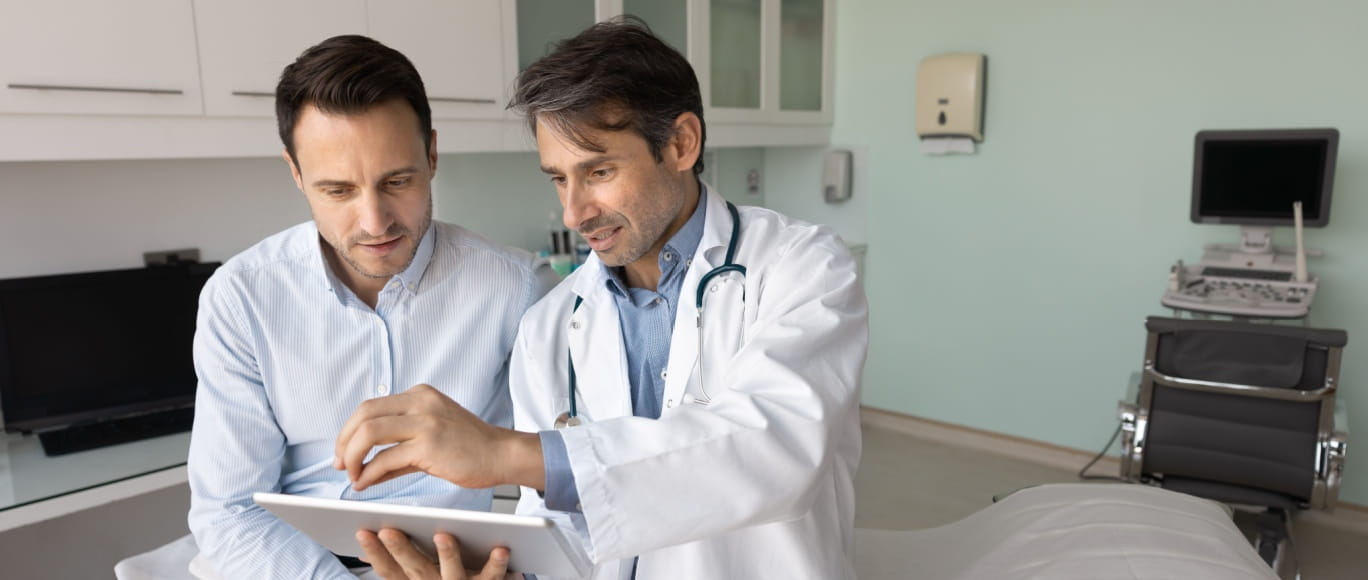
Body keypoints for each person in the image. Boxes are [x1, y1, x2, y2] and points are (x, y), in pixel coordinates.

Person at [336, 18, 868, 579]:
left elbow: (775, 450)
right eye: (559, 178)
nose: (574, 212)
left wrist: (504, 453)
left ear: (681, 144)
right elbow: (559, 532)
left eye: (599, 171)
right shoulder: (549, 325)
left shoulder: (802, 266)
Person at [186, 35, 550, 579]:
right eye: (338, 191)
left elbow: (566, 472)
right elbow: (228, 511)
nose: (375, 222)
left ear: (431, 154)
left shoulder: (518, 290)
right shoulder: (241, 298)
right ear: (296, 173)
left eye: (397, 181)